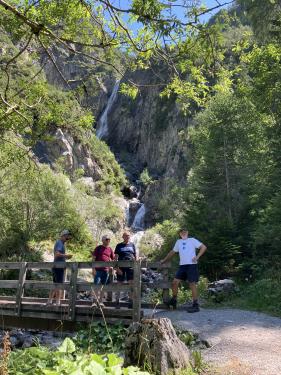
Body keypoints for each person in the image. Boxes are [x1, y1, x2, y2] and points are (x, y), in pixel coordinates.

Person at [160, 229, 207, 313]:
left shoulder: (192, 240)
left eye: (185, 232)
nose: (183, 233)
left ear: (187, 233)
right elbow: (172, 252)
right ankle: (174, 300)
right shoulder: (178, 242)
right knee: (175, 282)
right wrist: (164, 260)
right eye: (182, 232)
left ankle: (196, 305)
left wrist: (197, 257)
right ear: (180, 234)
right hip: (182, 266)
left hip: (191, 265)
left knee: (192, 284)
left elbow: (203, 247)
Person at [47, 229, 73, 306]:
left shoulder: (61, 244)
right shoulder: (59, 243)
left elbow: (59, 255)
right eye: (67, 236)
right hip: (58, 266)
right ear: (63, 236)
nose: (68, 238)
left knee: (55, 283)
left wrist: (65, 257)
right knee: (59, 284)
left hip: (58, 266)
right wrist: (66, 256)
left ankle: (50, 300)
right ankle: (58, 301)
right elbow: (57, 254)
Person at [91, 235, 115, 307]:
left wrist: (112, 267)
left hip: (106, 270)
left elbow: (113, 259)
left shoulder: (110, 249)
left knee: (103, 286)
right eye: (107, 239)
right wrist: (93, 269)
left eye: (109, 239)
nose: (108, 241)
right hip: (98, 270)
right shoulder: (98, 248)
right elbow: (93, 259)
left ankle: (101, 302)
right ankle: (94, 302)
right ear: (103, 240)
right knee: (96, 285)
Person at [114, 231, 137, 308]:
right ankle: (117, 302)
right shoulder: (119, 245)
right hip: (121, 267)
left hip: (130, 268)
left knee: (131, 284)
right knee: (119, 284)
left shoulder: (132, 245)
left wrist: (135, 266)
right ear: (123, 237)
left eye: (128, 236)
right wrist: (117, 268)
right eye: (126, 236)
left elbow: (135, 257)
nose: (127, 237)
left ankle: (131, 302)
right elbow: (115, 258)